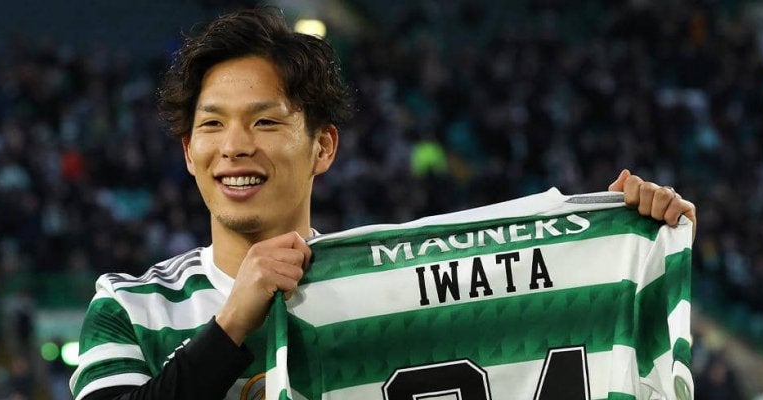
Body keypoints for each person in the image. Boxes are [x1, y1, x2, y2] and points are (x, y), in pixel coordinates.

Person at [69, 7, 697, 400]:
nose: (234, 147)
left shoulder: (392, 291)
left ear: (323, 147)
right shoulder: (130, 307)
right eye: (212, 125)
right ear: (188, 151)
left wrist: (624, 234)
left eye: (265, 122)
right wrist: (232, 322)